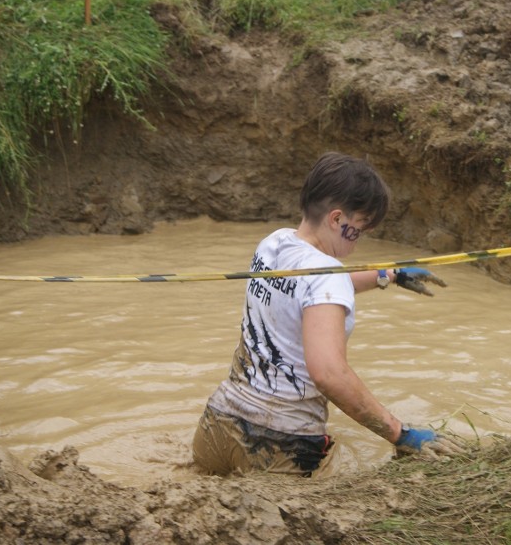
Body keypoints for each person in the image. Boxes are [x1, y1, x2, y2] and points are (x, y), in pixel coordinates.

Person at [192, 152, 463, 477]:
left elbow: (308, 291)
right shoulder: (327, 275)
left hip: (216, 425)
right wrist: (400, 434)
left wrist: (389, 274)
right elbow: (329, 374)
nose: (357, 243)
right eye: (360, 230)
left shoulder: (273, 243)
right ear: (336, 219)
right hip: (279, 444)